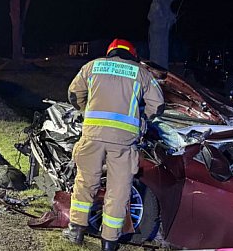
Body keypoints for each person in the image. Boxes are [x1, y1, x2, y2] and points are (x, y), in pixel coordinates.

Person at [64, 39, 164, 251]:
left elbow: (74, 94)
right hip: (124, 141)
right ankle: (109, 242)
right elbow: (158, 105)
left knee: (85, 182)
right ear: (132, 54)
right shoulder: (140, 72)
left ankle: (76, 231)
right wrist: (142, 119)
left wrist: (86, 111)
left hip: (92, 135)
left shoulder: (92, 66)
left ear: (110, 52)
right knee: (118, 191)